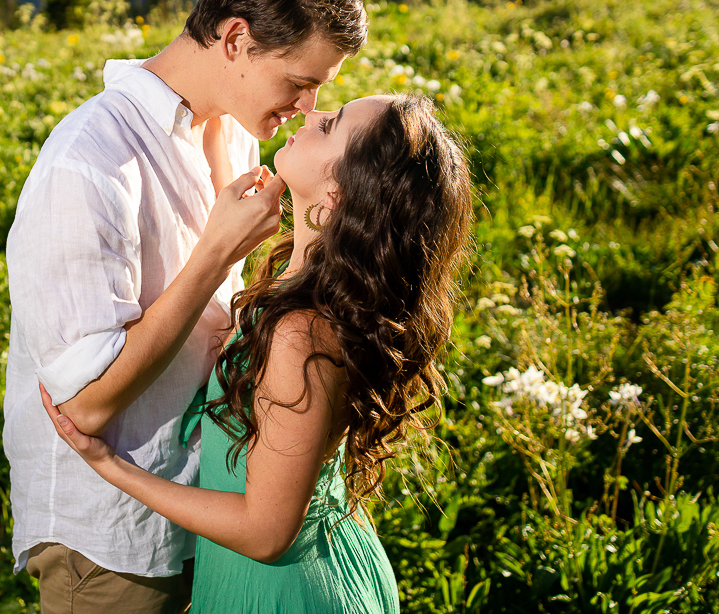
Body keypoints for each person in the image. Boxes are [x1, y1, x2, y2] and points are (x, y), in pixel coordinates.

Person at [3, 0, 367, 614]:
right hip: (113, 544)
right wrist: (214, 256)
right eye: (299, 81)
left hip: (207, 520)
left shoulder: (232, 129)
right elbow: (84, 405)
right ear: (235, 38)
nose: (307, 108)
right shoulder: (89, 161)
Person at [42, 94, 474, 613]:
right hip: (318, 569)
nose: (313, 113)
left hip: (286, 593)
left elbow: (265, 532)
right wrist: (217, 119)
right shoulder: (309, 287)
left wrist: (111, 466)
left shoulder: (301, 334)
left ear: (338, 192)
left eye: (331, 124)